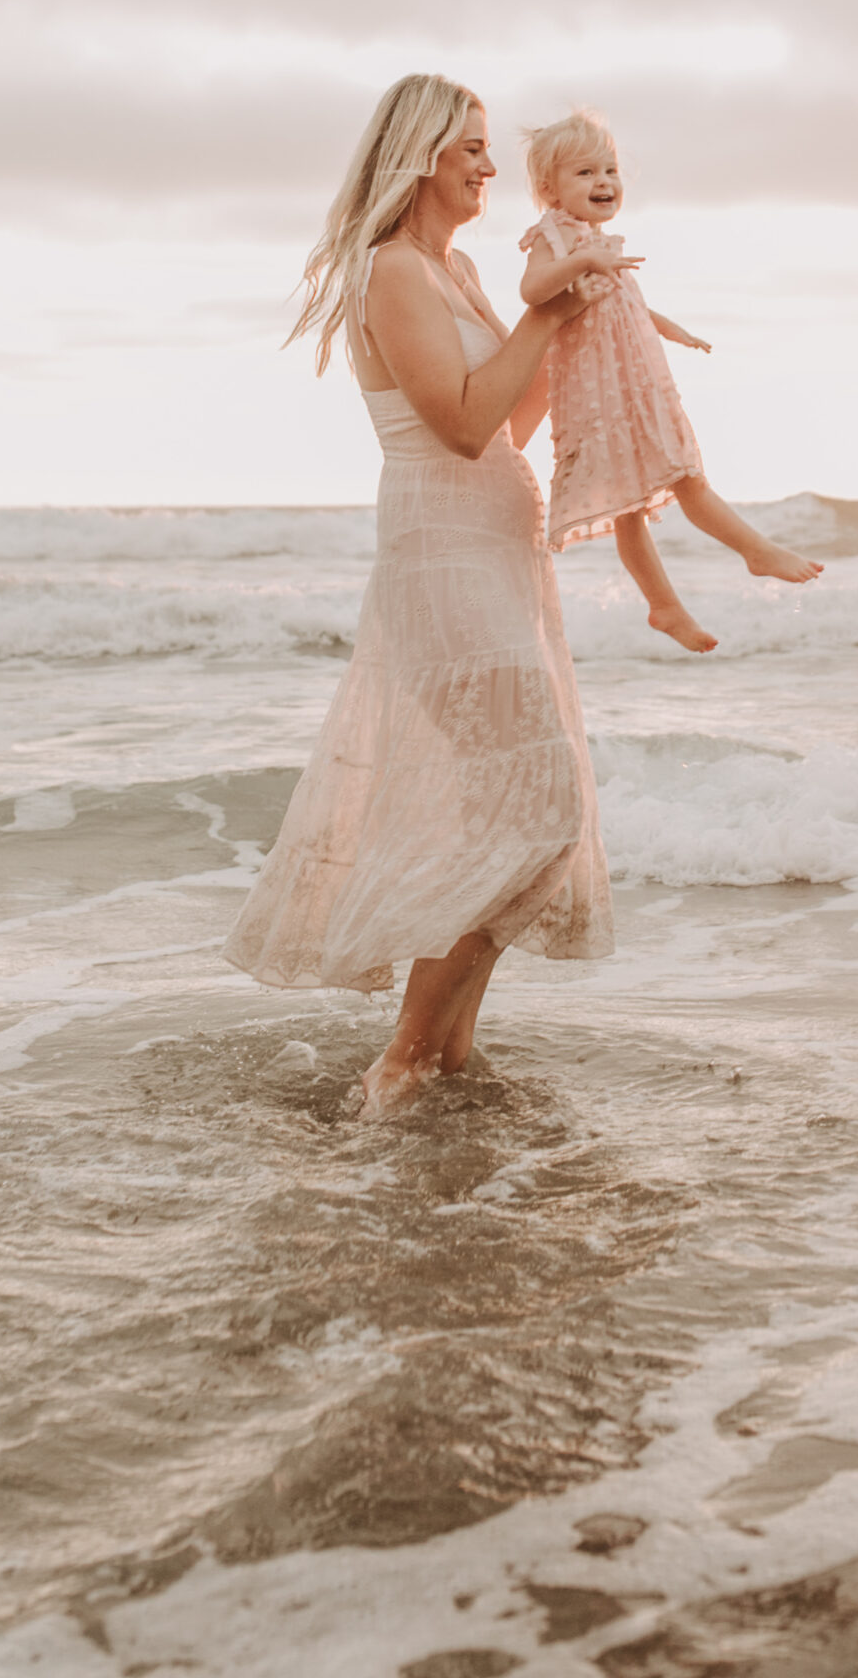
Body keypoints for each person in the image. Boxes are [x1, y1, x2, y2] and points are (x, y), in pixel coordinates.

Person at [224, 75, 613, 1115]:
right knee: (536, 811)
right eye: (473, 149)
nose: (492, 167)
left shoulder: (464, 270)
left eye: (489, 148)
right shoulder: (394, 271)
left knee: (513, 812)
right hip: (440, 557)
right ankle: (399, 1060)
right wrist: (540, 312)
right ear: (423, 156)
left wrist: (566, 307)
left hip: (498, 542)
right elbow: (457, 422)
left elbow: (515, 419)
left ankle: (451, 1053)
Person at [518, 108, 822, 656]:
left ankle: (663, 607)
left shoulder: (596, 240)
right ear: (550, 189)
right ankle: (753, 554)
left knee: (654, 492)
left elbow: (624, 301)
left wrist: (669, 327)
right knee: (670, 485)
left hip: (637, 386)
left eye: (609, 170)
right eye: (585, 173)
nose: (604, 182)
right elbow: (533, 290)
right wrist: (580, 259)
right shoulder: (556, 236)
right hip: (598, 394)